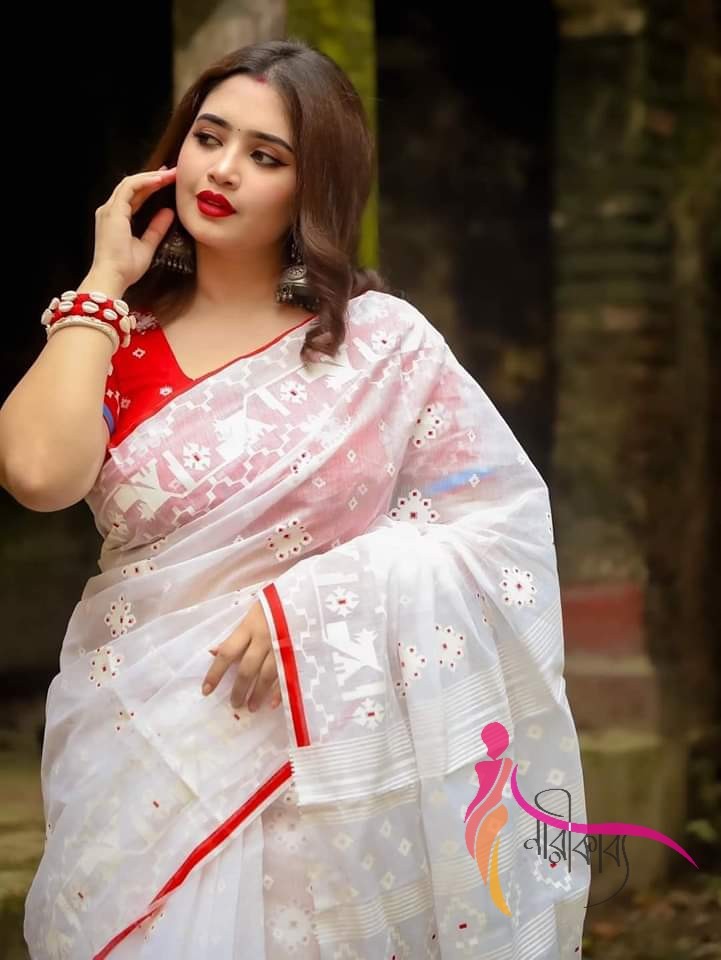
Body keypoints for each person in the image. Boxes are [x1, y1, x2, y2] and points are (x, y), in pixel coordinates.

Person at [1, 37, 590, 959]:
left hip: (328, 751)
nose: (222, 170)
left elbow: (498, 520)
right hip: (143, 741)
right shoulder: (115, 334)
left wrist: (320, 601)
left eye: (265, 156)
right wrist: (104, 281)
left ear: (312, 185)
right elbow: (38, 476)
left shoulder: (379, 344)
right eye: (208, 137)